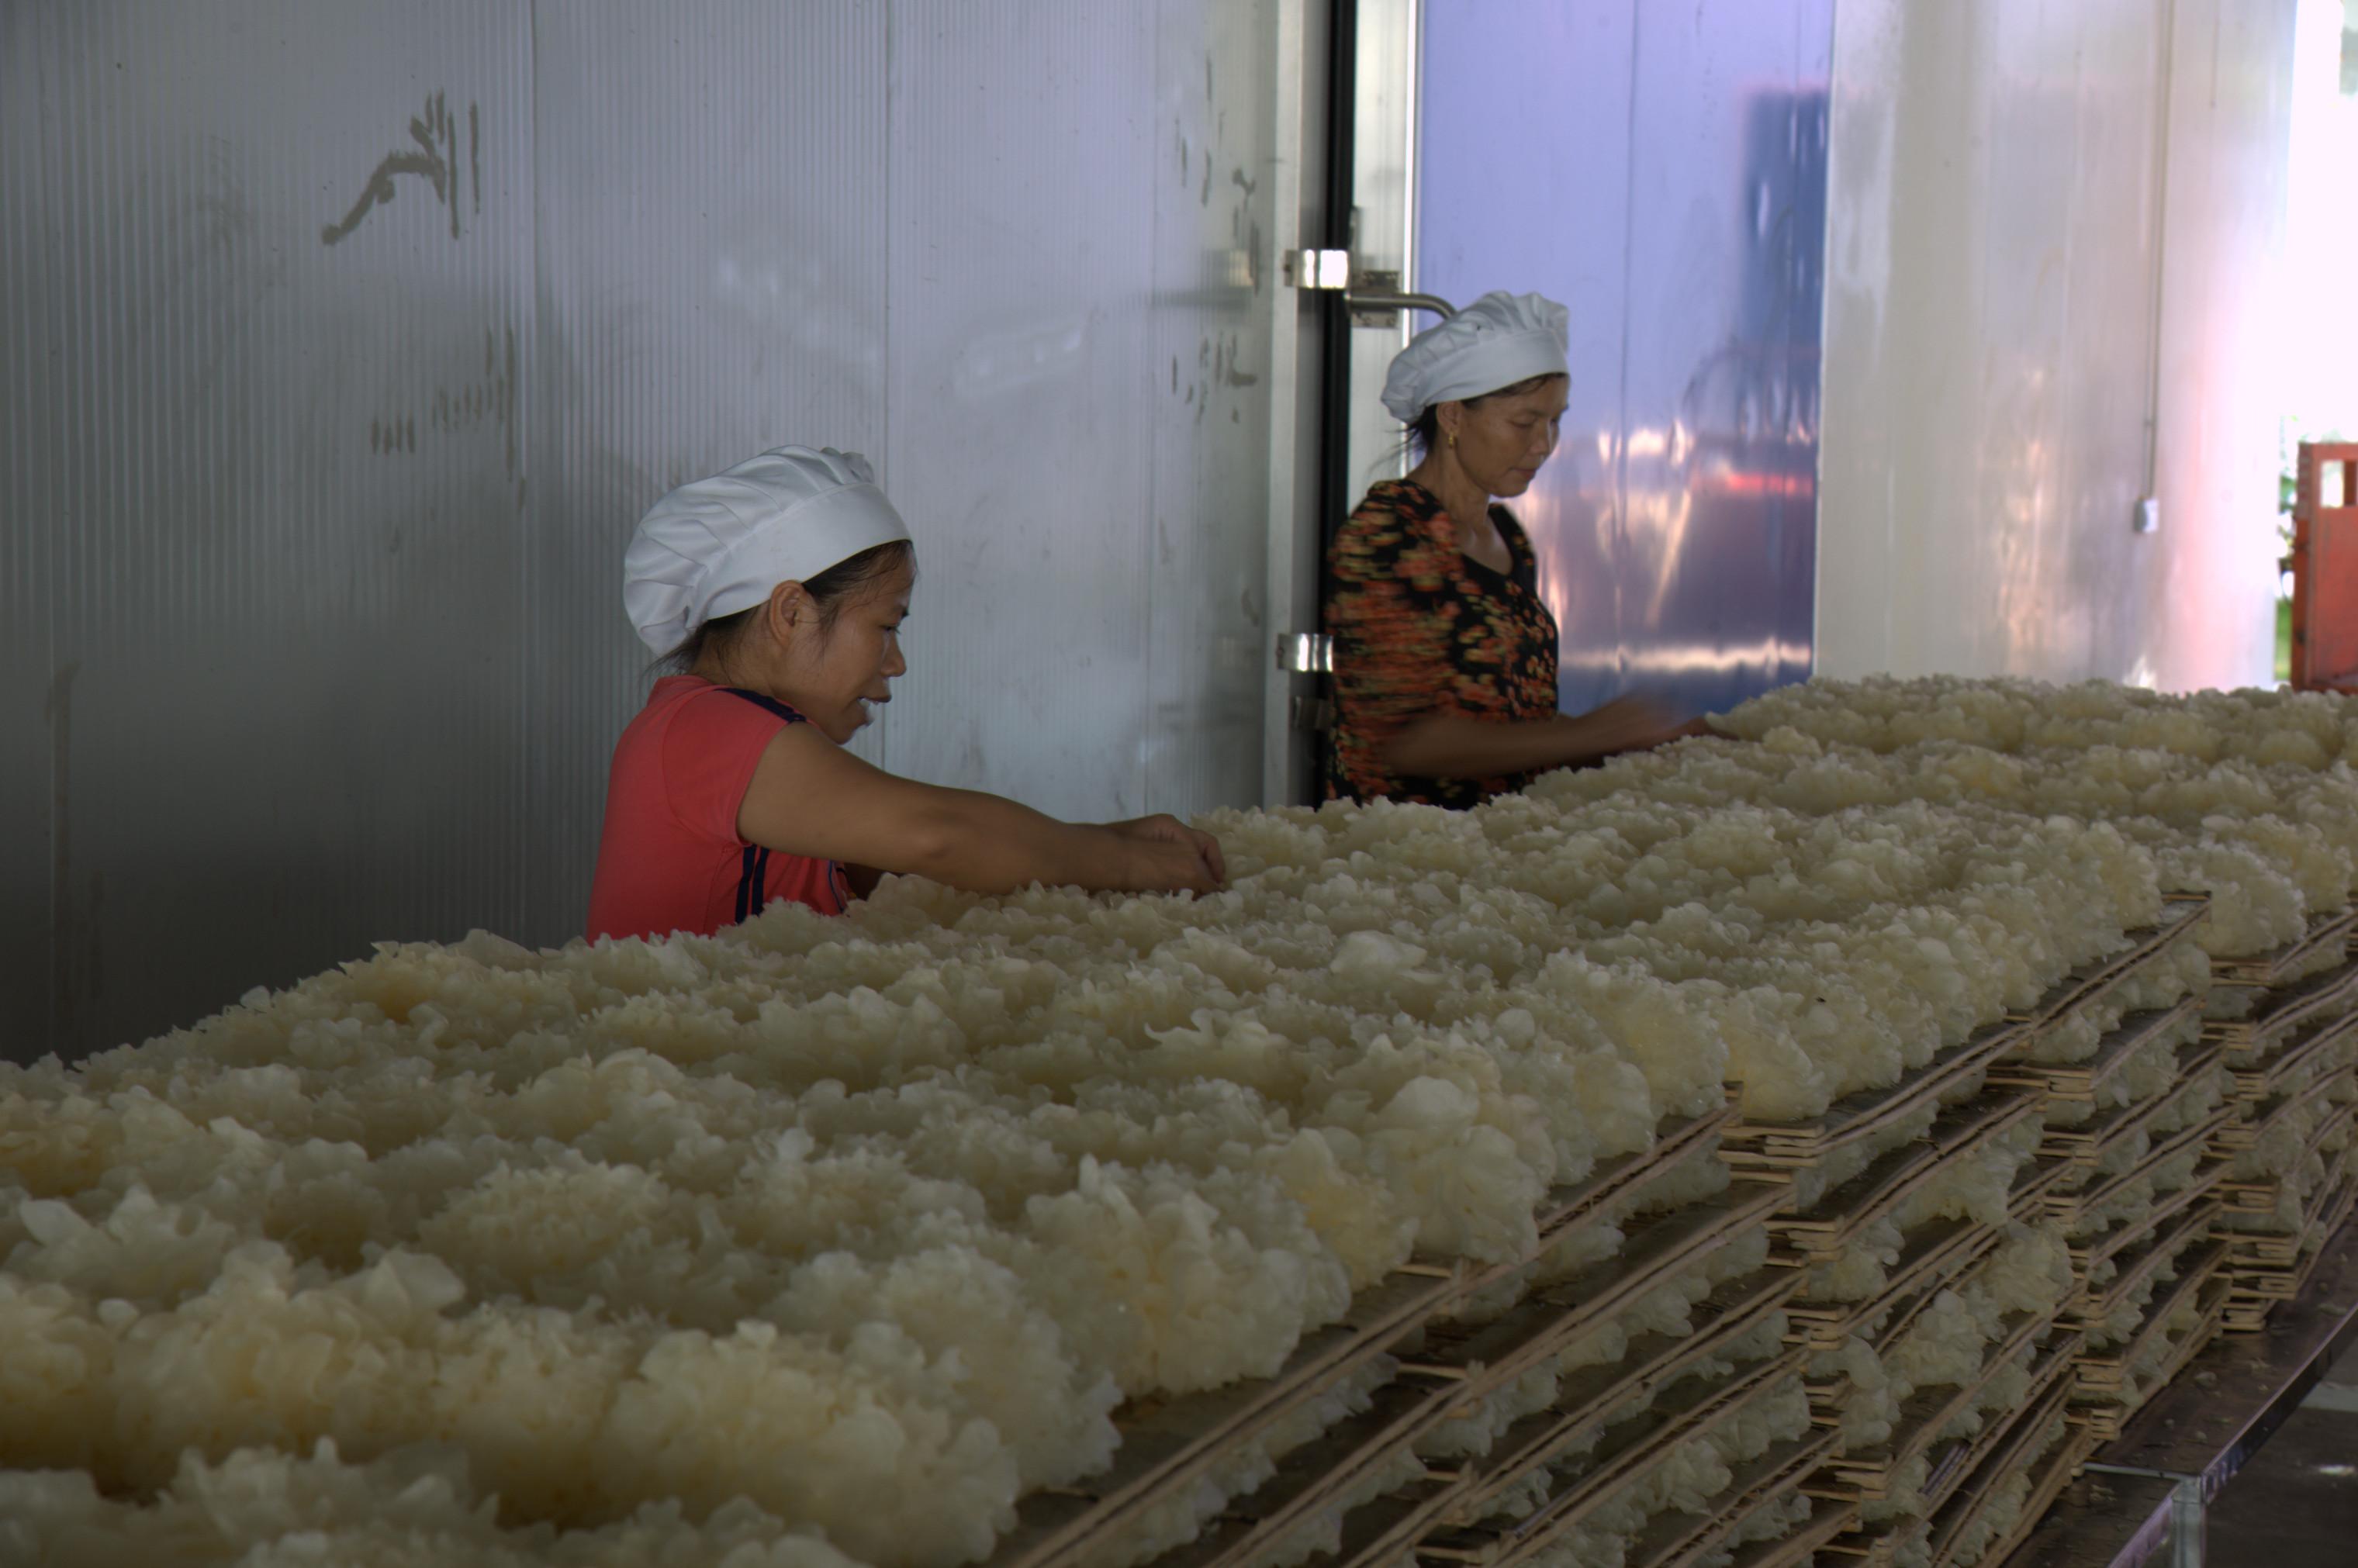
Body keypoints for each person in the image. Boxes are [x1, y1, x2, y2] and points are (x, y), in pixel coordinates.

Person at [587, 445, 1225, 941]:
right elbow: (938, 836)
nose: (895, 662)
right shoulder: (703, 727)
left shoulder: (738, 742)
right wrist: (1129, 865)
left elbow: (921, 873)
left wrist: (1106, 840)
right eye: (886, 625)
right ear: (790, 613)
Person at [1323, 290, 1703, 808]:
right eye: (1525, 422)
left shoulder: (1506, 536)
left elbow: (1513, 721)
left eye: (1556, 421)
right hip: (1409, 858)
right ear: (1453, 416)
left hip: (1499, 845)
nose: (1545, 444)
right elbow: (1406, 744)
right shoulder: (1387, 539)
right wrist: (1595, 734)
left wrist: (1653, 740)